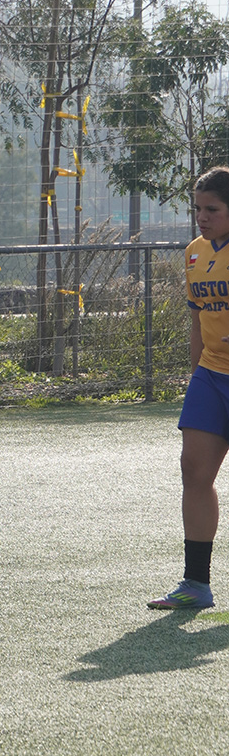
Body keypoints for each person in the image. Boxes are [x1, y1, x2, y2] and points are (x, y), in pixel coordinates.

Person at [148, 166, 229, 610]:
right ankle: (196, 584)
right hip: (211, 376)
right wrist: (196, 375)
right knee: (194, 471)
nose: (201, 217)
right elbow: (198, 320)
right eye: (197, 208)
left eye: (212, 209)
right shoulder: (195, 252)